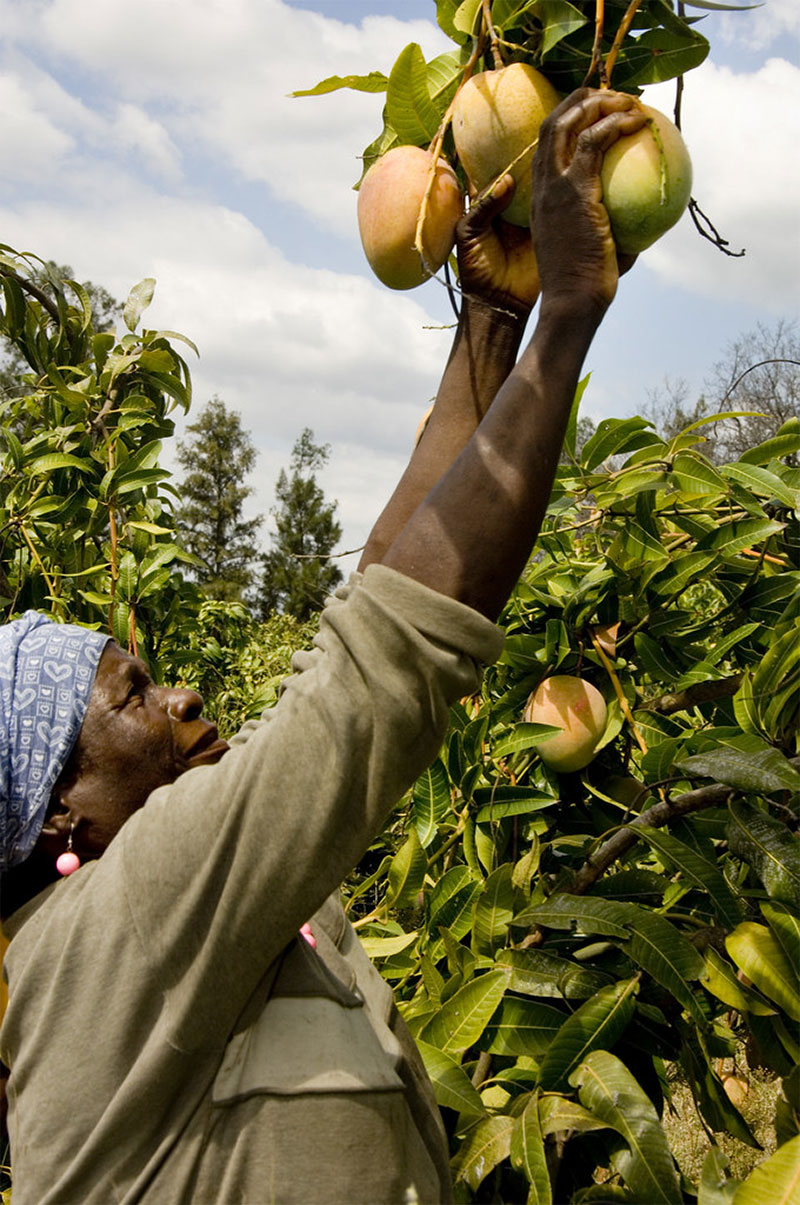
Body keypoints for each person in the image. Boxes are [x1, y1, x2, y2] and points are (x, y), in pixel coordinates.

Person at [0, 89, 646, 1204]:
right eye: (134, 695)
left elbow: (366, 608)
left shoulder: (213, 912)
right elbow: (377, 668)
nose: (184, 695)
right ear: (61, 811)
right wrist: (571, 320)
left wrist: (491, 321)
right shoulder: (120, 921)